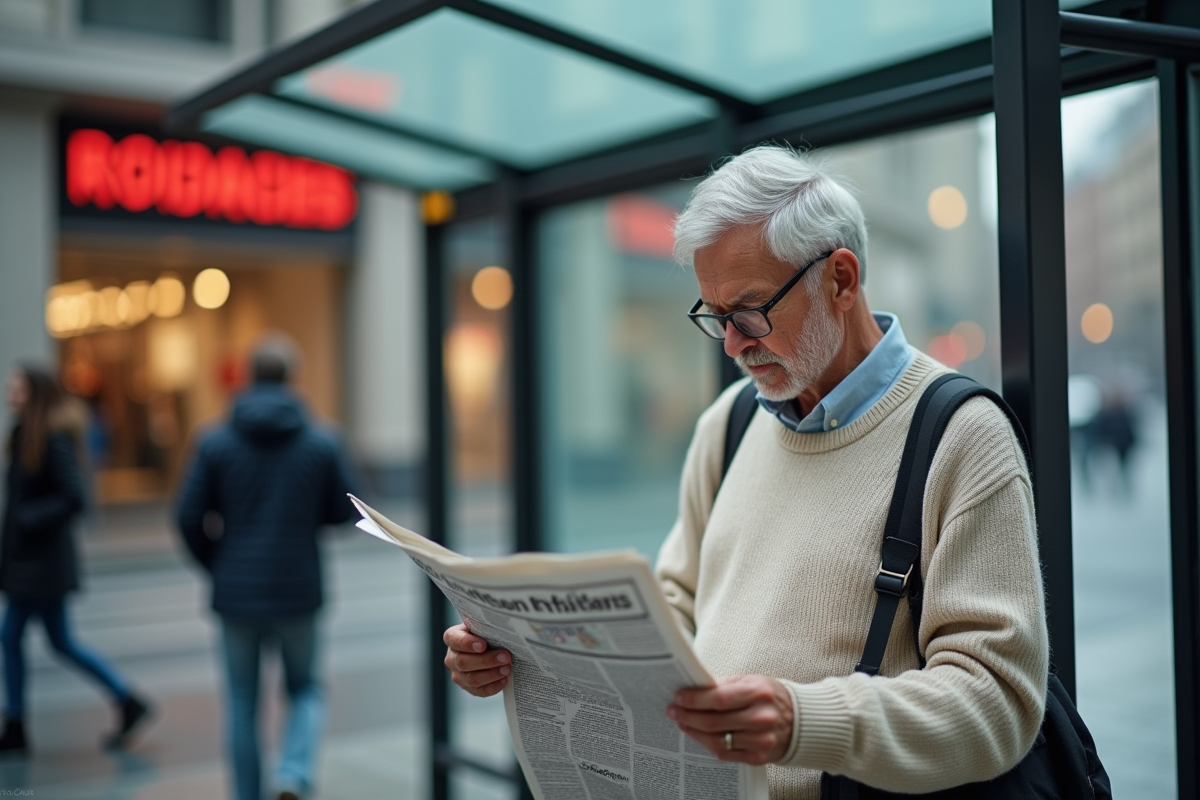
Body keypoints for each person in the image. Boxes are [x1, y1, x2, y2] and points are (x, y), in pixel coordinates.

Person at [442, 146, 1049, 797]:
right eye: (716, 317)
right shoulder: (729, 424)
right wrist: (529, 655)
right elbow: (677, 607)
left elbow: (1000, 702)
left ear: (841, 280)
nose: (732, 344)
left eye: (750, 311)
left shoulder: (961, 436)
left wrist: (802, 722)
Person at [175, 334, 359, 800]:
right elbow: (347, 511)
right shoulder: (322, 439)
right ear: (291, 378)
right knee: (306, 689)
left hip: (235, 592)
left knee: (241, 703)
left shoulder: (214, 440)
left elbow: (186, 515)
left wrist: (216, 563)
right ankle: (292, 774)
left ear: (249, 375)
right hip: (299, 588)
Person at [0, 363, 152, 754]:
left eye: (16, 385)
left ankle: (16, 725)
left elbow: (74, 497)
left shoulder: (51, 439)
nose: (9, 391)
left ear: (35, 392)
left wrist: (28, 519)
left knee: (12, 635)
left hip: (41, 566)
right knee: (58, 641)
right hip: (29, 562)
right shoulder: (24, 436)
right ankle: (125, 698)